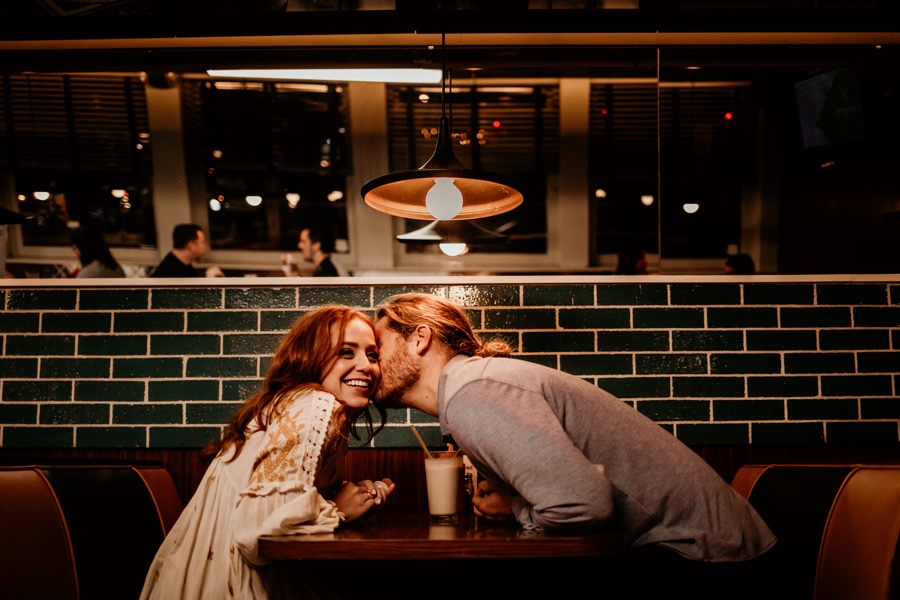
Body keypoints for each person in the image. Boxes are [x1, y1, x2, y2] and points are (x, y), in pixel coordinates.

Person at [372, 293, 778, 598]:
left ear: (419, 339)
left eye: (378, 348)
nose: (371, 365)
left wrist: (514, 507)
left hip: (705, 560)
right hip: (709, 550)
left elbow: (584, 504)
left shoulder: (471, 393)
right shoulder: (474, 385)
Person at [140, 305, 395, 600]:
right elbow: (258, 534)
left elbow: (276, 499)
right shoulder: (314, 406)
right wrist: (337, 511)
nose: (366, 365)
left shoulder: (306, 405)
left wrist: (345, 497)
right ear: (311, 359)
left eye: (372, 354)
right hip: (227, 581)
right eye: (346, 352)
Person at [151, 223, 224, 278]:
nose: (205, 245)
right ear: (191, 246)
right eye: (202, 242)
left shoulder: (181, 264)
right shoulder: (171, 271)